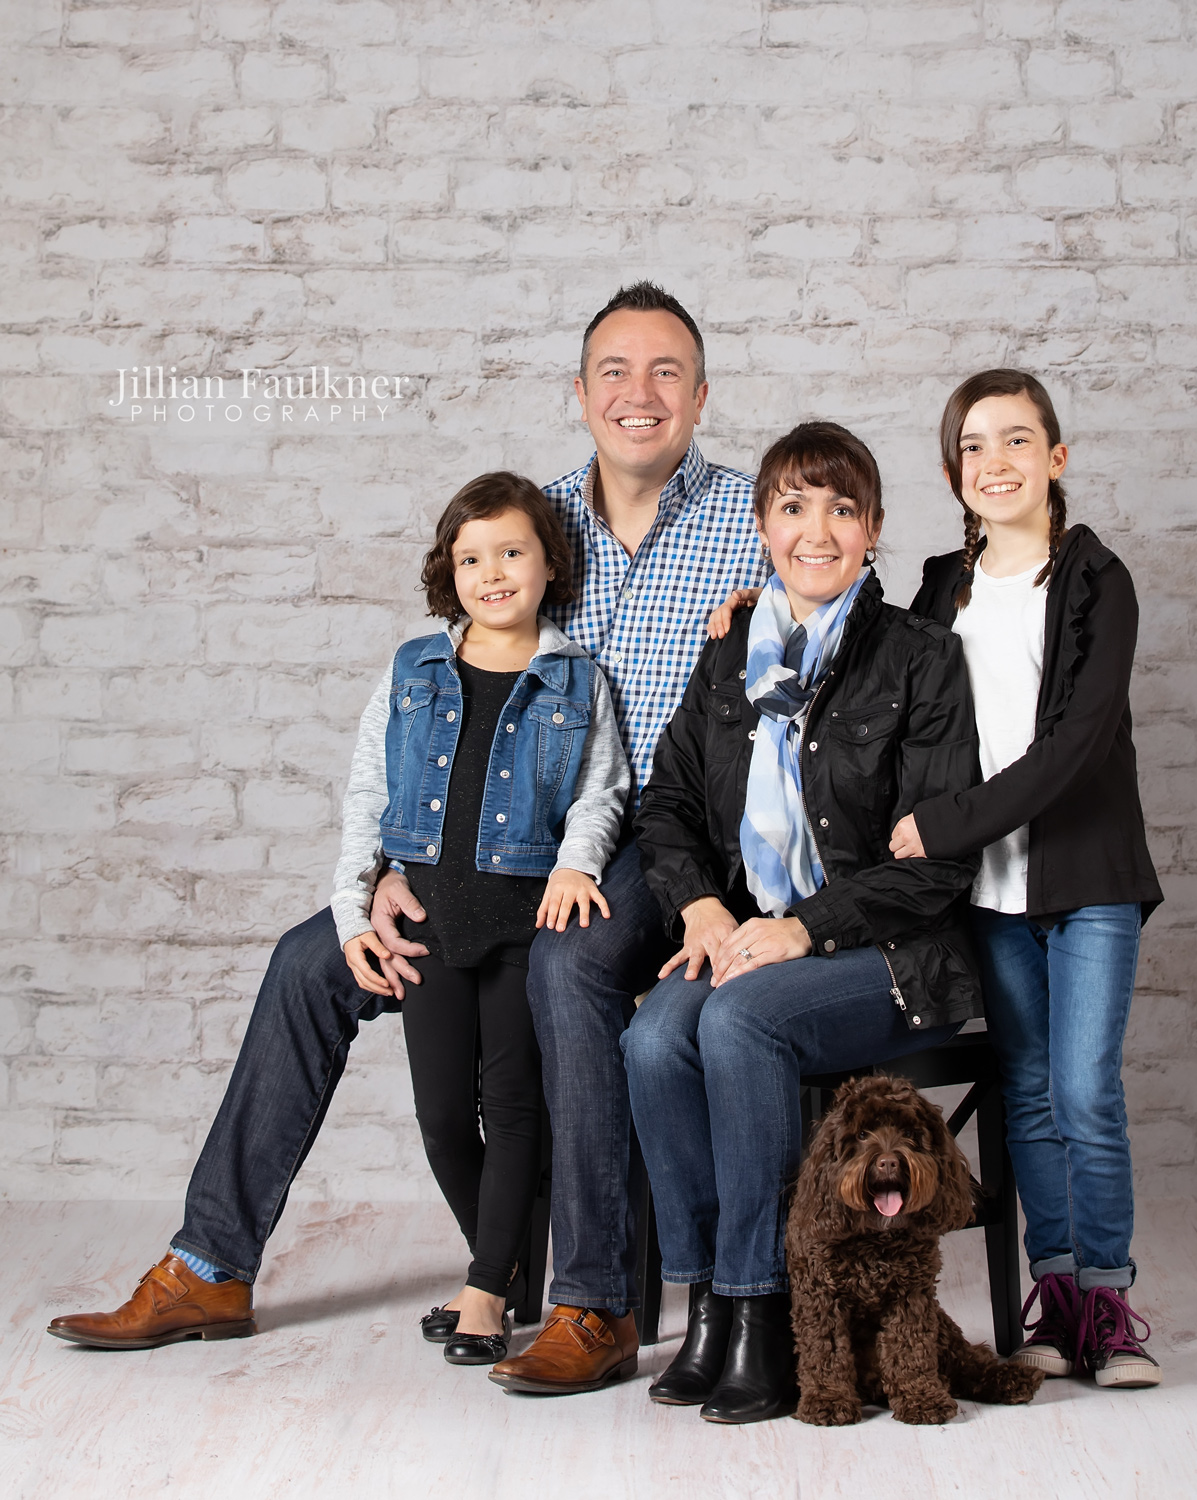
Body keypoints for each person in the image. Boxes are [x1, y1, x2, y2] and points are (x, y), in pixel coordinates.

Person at [47, 282, 766, 1362]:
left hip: (662, 848)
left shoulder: (761, 523)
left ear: (701, 394)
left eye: (667, 371)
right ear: (579, 393)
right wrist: (392, 861)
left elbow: (844, 647)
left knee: (568, 963)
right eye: (614, 371)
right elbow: (439, 710)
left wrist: (774, 627)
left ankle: (592, 1300)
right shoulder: (530, 521)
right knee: (308, 964)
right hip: (496, 850)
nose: (640, 393)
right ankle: (210, 1266)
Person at [48, 472, 629, 1363]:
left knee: (514, 1109)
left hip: (524, 923)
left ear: (551, 564)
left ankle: (486, 1291)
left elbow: (598, 790)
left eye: (512, 553)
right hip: (428, 919)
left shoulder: (576, 679)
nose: (493, 573)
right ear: (449, 573)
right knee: (443, 1117)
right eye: (472, 559)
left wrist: (576, 863)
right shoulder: (414, 670)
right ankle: (503, 1266)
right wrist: (353, 911)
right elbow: (369, 793)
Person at [623, 421, 984, 1424]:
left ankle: (765, 1307)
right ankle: (711, 1305)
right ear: (763, 524)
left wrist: (807, 927)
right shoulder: (731, 655)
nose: (815, 531)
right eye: (793, 507)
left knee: (742, 1023)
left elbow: (938, 864)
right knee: (653, 1040)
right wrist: (700, 903)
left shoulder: (921, 659)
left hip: (891, 955)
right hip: (752, 934)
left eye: (841, 509)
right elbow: (668, 804)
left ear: (873, 528)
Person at [888, 369, 1164, 1389]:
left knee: (1085, 1091)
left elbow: (1073, 750)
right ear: (952, 472)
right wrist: (754, 616)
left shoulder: (1097, 582)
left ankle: (1110, 1306)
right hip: (989, 897)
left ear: (1055, 457)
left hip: (1089, 880)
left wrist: (945, 824)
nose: (993, 461)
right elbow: (868, 676)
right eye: (972, 445)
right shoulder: (937, 589)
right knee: (1032, 1099)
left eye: (1014, 440)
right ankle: (1056, 1299)